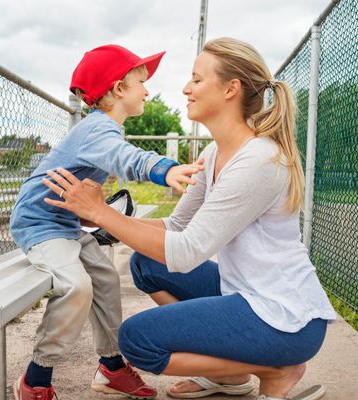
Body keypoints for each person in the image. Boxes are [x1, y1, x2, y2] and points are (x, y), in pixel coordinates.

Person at [41, 37, 337, 400]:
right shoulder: (215, 153)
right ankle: (229, 377)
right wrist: (98, 222)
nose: (186, 88)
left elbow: (185, 251)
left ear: (231, 89)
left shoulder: (259, 161)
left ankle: (272, 368)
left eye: (196, 80)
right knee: (146, 262)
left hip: (286, 319)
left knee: (138, 341)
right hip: (244, 293)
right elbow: (176, 228)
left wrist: (99, 210)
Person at [9, 44, 205, 400]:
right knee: (77, 287)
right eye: (141, 82)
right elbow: (124, 157)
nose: (147, 90)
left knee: (106, 280)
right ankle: (36, 378)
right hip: (40, 224)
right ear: (118, 89)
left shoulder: (102, 128)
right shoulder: (97, 130)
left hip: (66, 224)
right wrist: (164, 169)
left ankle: (111, 367)